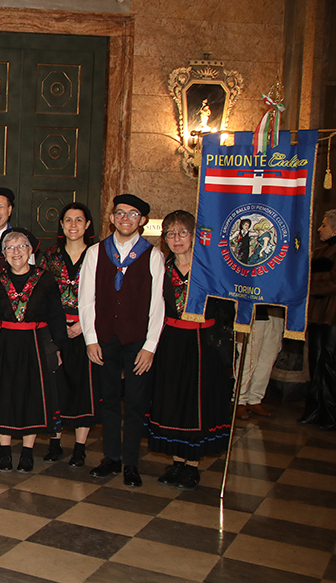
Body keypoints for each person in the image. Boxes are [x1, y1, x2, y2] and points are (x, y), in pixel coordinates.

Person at [79, 194, 165, 488]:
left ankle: (131, 463)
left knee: (137, 402)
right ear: (112, 218)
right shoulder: (96, 252)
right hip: (105, 339)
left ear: (142, 220)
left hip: (138, 341)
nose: (125, 218)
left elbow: (158, 305)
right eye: (119, 213)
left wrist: (150, 346)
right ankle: (111, 457)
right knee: (109, 400)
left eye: (132, 214)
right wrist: (91, 339)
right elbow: (86, 299)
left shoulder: (152, 255)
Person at [149, 210, 235, 490]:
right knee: (173, 400)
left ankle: (193, 466)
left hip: (203, 343)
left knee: (197, 403)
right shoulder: (162, 269)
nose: (177, 239)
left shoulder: (210, 270)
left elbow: (227, 307)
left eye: (182, 233)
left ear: (194, 236)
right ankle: (177, 462)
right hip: (171, 341)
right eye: (171, 234)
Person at [0, 228, 68, 472]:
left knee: (32, 397)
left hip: (35, 344)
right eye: (10, 248)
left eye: (21, 247)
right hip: (3, 342)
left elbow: (56, 316)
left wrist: (57, 347)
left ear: (30, 250)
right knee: (3, 396)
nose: (16, 252)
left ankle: (27, 453)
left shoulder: (46, 279)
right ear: (3, 253)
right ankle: (4, 453)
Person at [38, 202, 100, 467]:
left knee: (83, 387)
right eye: (68, 220)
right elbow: (42, 295)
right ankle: (55, 442)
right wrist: (57, 326)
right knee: (56, 386)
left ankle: (80, 447)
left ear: (87, 225)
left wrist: (85, 325)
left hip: (88, 331)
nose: (73, 225)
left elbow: (105, 296)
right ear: (61, 225)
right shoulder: (49, 256)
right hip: (57, 331)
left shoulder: (99, 256)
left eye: (79, 220)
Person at [300, 208, 336, 431]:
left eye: (324, 225)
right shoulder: (320, 250)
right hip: (318, 314)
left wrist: (307, 283)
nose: (319, 229)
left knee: (330, 362)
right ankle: (315, 410)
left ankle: (334, 414)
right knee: (315, 361)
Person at [237, 306, 284, 420]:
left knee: (267, 359)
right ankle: (240, 400)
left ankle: (255, 399)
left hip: (276, 310)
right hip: (255, 309)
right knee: (248, 357)